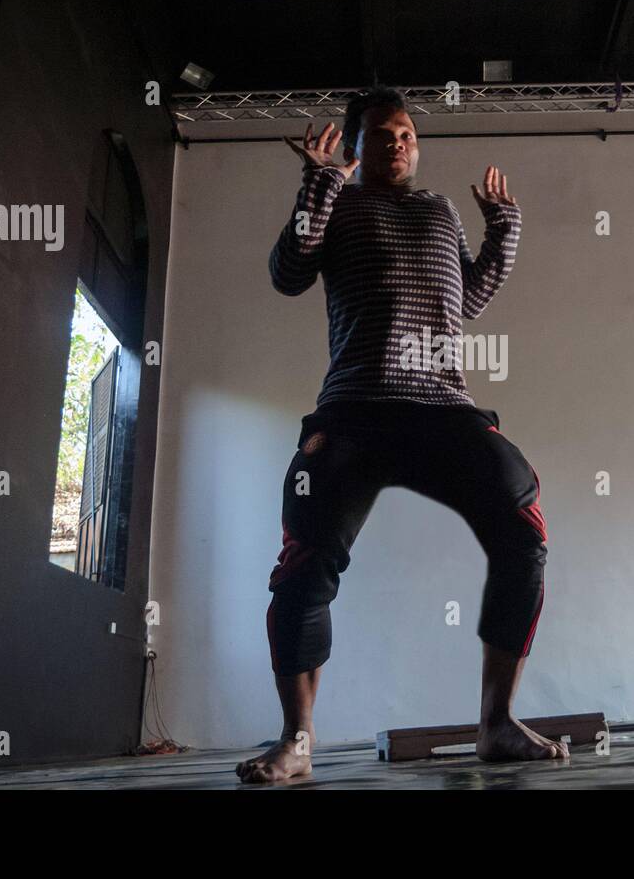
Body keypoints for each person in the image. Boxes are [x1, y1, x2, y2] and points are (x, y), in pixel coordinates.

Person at [238, 85, 564, 784]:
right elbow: (288, 270)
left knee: (524, 526)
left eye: (408, 133)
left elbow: (464, 299)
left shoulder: (441, 209)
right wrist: (321, 180)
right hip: (356, 405)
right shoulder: (341, 203)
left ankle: (497, 722)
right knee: (304, 556)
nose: (399, 143)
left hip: (443, 405)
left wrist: (503, 229)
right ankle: (297, 740)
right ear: (357, 147)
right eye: (382, 134)